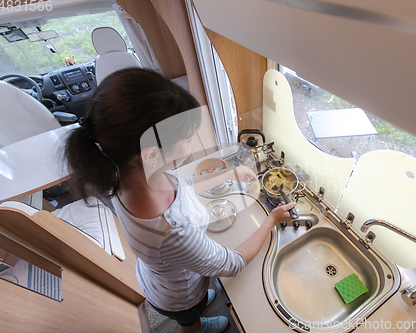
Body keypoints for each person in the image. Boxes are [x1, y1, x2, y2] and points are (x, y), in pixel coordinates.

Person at [64, 68, 296, 333]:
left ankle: (196, 307)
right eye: (187, 139)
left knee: (196, 299)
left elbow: (180, 183)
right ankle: (195, 327)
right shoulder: (172, 231)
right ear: (151, 155)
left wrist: (229, 173)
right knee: (189, 319)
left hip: (160, 278)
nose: (189, 145)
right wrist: (272, 219)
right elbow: (231, 264)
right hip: (179, 297)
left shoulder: (119, 172)